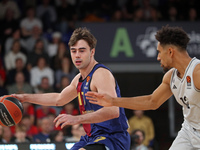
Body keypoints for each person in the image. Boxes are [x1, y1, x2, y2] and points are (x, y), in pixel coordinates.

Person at [12, 27, 130, 150]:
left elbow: (113, 111)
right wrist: (25, 97)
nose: (77, 55)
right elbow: (58, 99)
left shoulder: (101, 74)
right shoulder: (79, 78)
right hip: (91, 137)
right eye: (73, 51)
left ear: (92, 52)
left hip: (112, 138)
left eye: (82, 50)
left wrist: (76, 119)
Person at [86, 25, 200, 149]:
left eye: (159, 52)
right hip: (188, 131)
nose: (158, 57)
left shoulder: (197, 72)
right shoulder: (170, 77)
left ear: (170, 52)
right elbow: (151, 101)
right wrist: (113, 101)